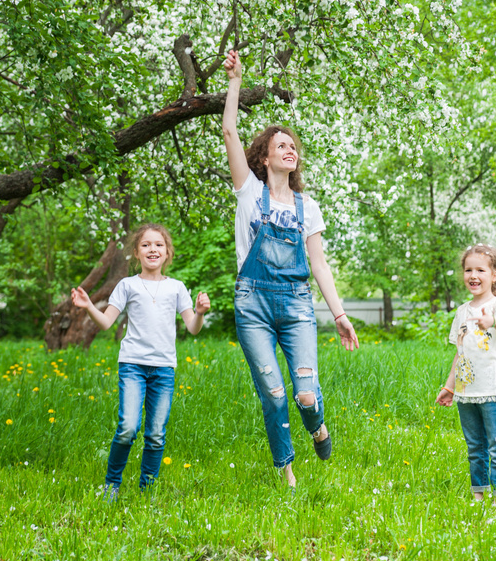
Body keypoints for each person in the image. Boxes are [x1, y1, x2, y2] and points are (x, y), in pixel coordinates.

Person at [221, 49, 359, 489]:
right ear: (263, 157)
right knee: (274, 394)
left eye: (294, 147)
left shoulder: (308, 207)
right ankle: (287, 471)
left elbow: (318, 263)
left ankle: (317, 426)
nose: (290, 150)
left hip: (297, 304)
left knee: (303, 394)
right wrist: (236, 81)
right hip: (253, 303)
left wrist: (338, 314)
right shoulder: (248, 192)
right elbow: (228, 130)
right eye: (282, 145)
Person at [71, 223, 210, 501]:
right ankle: (112, 484)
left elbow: (192, 328)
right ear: (137, 252)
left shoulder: (177, 288)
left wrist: (200, 312)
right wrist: (89, 307)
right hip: (133, 365)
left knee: (156, 434)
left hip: (163, 369)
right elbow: (108, 322)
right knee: (128, 428)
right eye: (146, 245)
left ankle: (148, 490)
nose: (152, 249)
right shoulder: (127, 285)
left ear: (167, 252)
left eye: (158, 244)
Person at [435, 244, 496, 505]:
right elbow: (460, 354)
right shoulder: (461, 311)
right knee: (475, 447)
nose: (473, 275)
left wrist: (491, 321)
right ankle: (478, 494)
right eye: (468, 269)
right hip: (466, 393)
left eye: (480, 269)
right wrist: (449, 387)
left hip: (492, 390)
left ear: (494, 275)